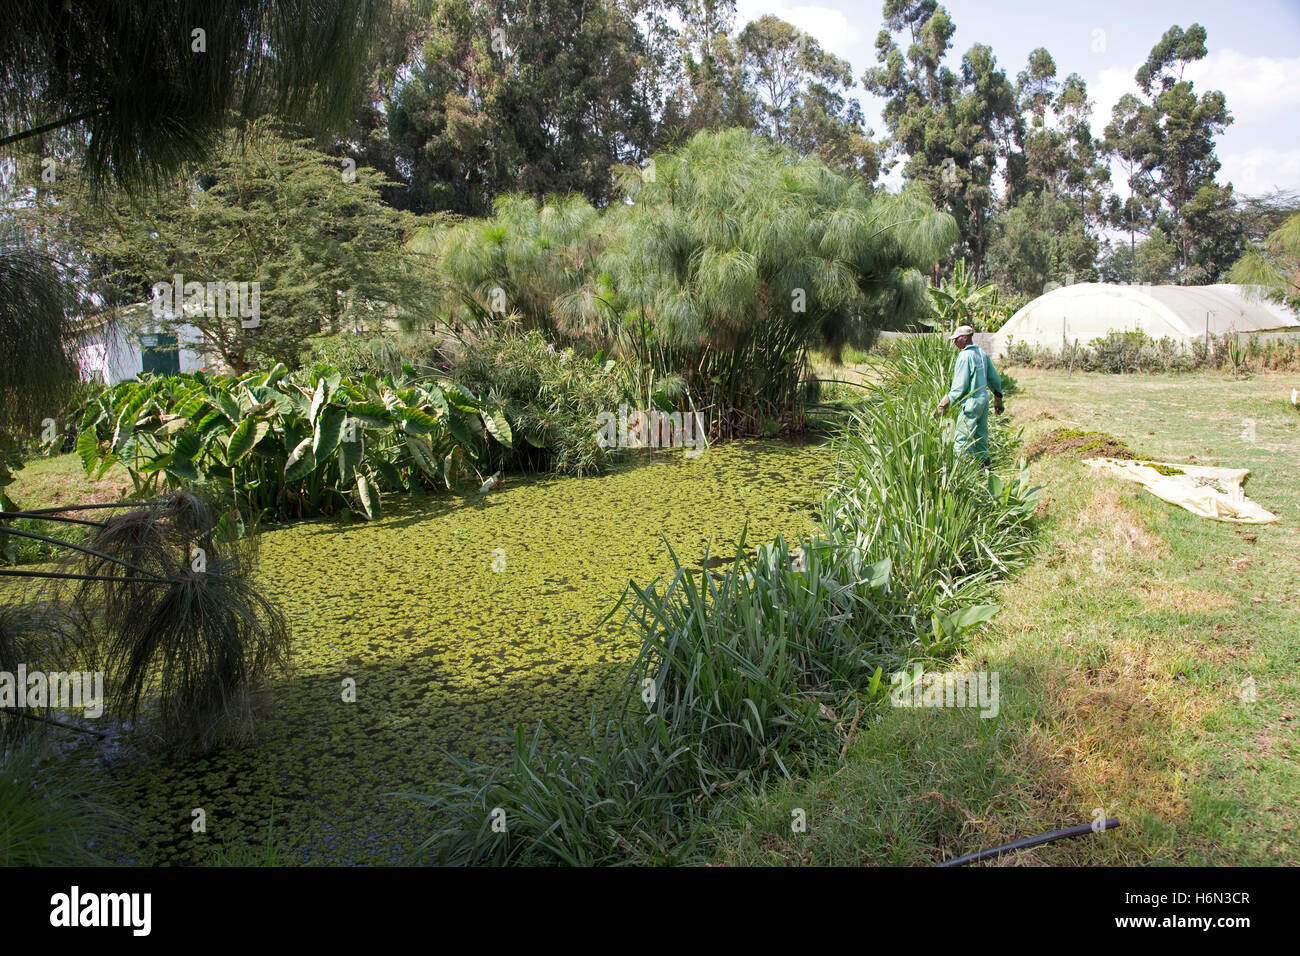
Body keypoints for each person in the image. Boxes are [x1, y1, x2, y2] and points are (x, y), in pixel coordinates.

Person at [933, 324, 1004, 466]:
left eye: (956, 339)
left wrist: (942, 406)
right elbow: (994, 379)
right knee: (981, 436)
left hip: (970, 401)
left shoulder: (965, 356)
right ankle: (986, 470)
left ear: (964, 338)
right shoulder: (982, 353)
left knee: (962, 438)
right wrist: (998, 400)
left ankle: (959, 471)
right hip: (983, 400)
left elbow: (958, 388)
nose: (954, 342)